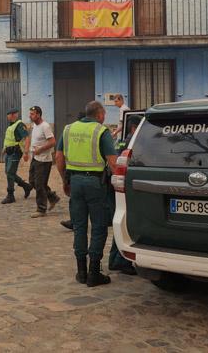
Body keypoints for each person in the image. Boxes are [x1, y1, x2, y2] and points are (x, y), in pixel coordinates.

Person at [56, 100, 116, 287]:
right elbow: (113, 162)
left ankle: (81, 272)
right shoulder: (101, 131)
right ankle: (94, 273)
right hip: (95, 184)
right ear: (99, 115)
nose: (104, 118)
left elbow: (58, 156)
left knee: (80, 226)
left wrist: (65, 180)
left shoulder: (68, 129)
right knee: (98, 227)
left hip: (75, 182)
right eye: (104, 114)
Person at [22, 106, 59, 217]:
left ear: (38, 115)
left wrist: (40, 149)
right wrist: (27, 152)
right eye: (30, 114)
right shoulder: (34, 126)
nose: (30, 116)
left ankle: (41, 209)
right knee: (33, 181)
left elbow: (52, 142)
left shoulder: (45, 126)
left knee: (39, 184)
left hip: (44, 160)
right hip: (35, 158)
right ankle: (52, 197)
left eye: (32, 114)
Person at [1, 109, 33, 204]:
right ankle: (26, 186)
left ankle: (10, 195)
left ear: (14, 115)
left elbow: (27, 137)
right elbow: (9, 139)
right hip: (9, 152)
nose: (8, 116)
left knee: (10, 173)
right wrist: (4, 148)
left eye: (9, 114)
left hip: (15, 152)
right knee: (8, 172)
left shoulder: (19, 125)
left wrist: (26, 152)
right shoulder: (11, 125)